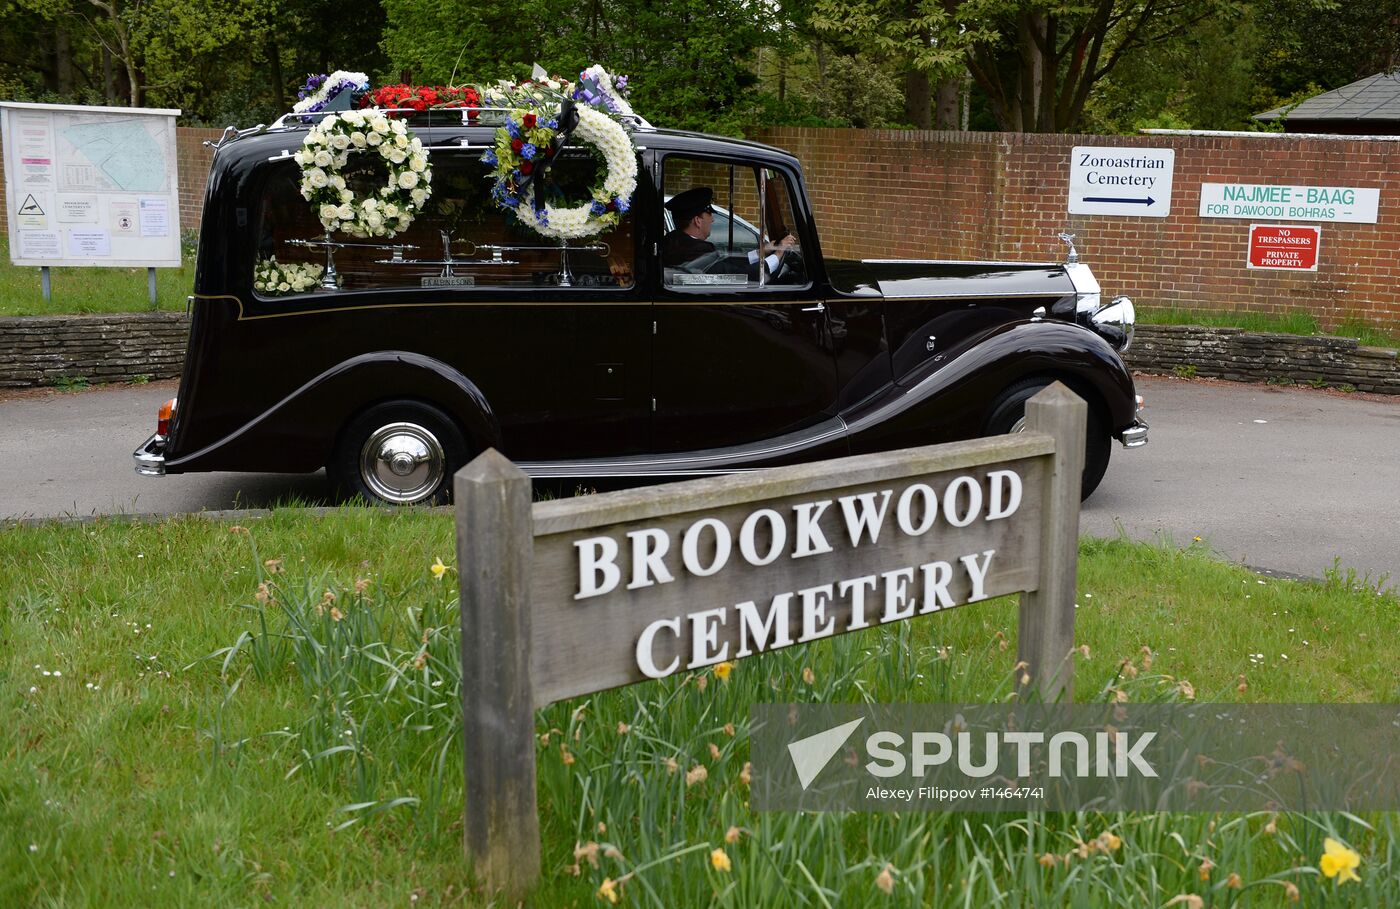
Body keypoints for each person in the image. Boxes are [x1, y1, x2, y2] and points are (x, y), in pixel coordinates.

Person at [662, 186, 798, 278]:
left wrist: (761, 252)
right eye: (709, 215)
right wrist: (779, 253)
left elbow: (727, 262)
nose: (713, 221)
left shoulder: (673, 242)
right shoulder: (697, 251)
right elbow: (738, 275)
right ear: (697, 221)